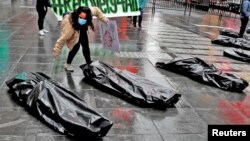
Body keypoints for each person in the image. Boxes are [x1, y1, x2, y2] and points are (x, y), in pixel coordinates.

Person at [53, 6, 109, 72]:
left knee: (86, 47)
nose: (82, 19)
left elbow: (96, 10)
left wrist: (105, 19)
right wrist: (56, 52)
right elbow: (62, 40)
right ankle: (68, 64)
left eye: (84, 18)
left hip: (82, 29)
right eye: (80, 17)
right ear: (77, 15)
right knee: (75, 47)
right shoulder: (69, 26)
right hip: (74, 27)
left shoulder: (89, 12)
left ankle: (89, 64)